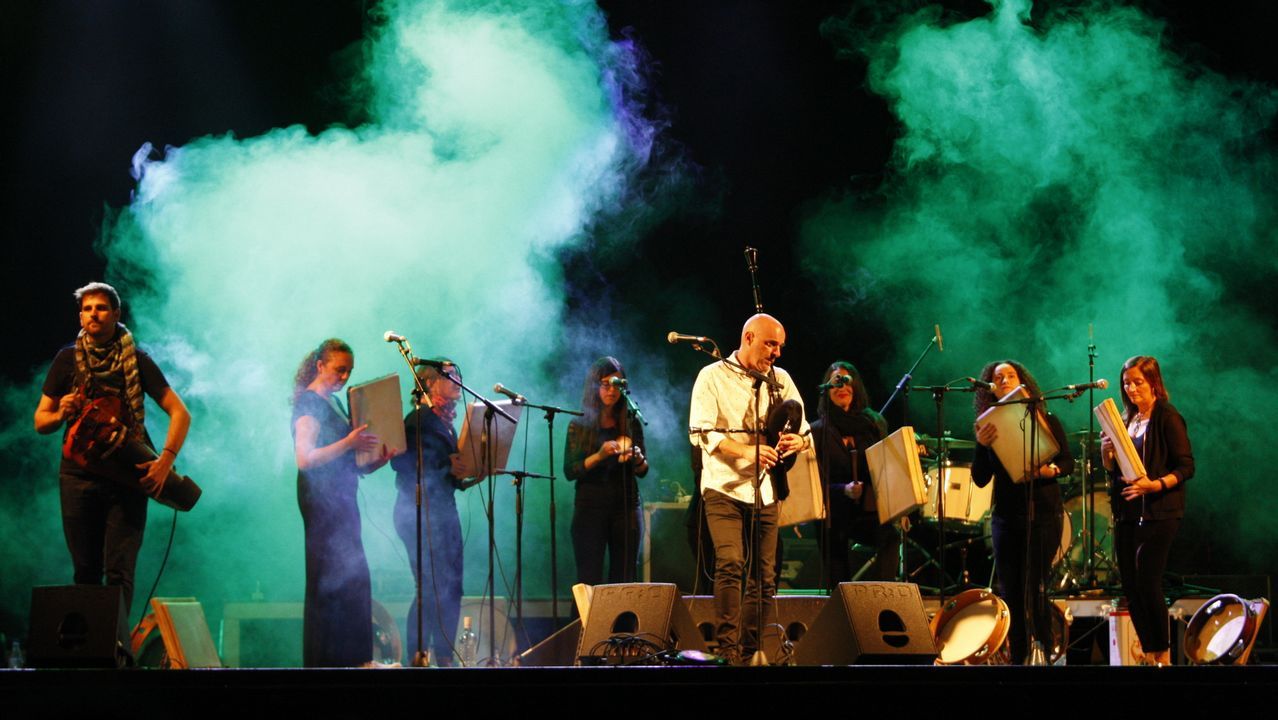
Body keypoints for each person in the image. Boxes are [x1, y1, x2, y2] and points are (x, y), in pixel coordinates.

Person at [34, 282, 191, 616]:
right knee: (85, 571)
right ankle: (91, 646)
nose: (94, 314)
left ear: (116, 314)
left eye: (102, 308)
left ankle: (116, 644)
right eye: (88, 309)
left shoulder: (137, 359)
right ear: (80, 316)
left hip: (126, 477)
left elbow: (180, 413)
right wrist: (61, 412)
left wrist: (165, 461)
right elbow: (41, 421)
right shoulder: (66, 359)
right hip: (78, 477)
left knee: (120, 572)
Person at [688, 314, 808, 664]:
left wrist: (797, 442)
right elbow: (701, 434)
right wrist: (747, 452)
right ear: (749, 337)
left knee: (764, 576)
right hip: (723, 487)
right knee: (730, 563)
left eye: (780, 346)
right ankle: (728, 651)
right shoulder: (711, 376)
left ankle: (750, 651)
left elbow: (805, 432)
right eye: (771, 344)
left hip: (765, 490)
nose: (776, 353)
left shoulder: (780, 379)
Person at [291, 338, 392, 667]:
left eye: (349, 371)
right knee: (332, 580)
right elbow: (305, 459)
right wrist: (349, 442)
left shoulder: (333, 402)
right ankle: (330, 662)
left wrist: (374, 461)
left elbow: (345, 462)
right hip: (322, 501)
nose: (345, 377)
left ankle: (354, 659)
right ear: (320, 366)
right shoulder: (309, 404)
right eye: (339, 369)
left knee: (352, 578)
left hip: (340, 497)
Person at [971, 360, 1073, 664]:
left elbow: (1068, 462)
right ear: (990, 388)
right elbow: (980, 479)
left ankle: (1044, 653)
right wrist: (981, 446)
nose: (1004, 380)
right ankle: (1018, 660)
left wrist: (1049, 470)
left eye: (1010, 375)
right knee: (1011, 592)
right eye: (997, 377)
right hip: (1005, 517)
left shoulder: (1046, 419)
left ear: (1022, 381)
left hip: (1043, 513)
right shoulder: (987, 428)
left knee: (1035, 587)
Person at [1102, 355, 1193, 666]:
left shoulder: (1167, 416)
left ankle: (1162, 652)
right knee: (1130, 585)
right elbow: (1115, 472)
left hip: (1160, 511)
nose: (1131, 388)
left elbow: (1186, 467)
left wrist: (1155, 485)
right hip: (1128, 511)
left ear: (1153, 382)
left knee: (1148, 581)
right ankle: (1150, 651)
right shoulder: (1126, 419)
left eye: (1137, 382)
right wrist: (1106, 454)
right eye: (1126, 383)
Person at [390, 358, 474, 666]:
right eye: (448, 376)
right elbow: (404, 465)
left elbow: (445, 473)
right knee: (429, 587)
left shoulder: (443, 420)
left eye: (457, 374)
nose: (456, 380)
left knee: (451, 587)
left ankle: (444, 655)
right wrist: (446, 467)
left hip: (442, 511)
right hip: (418, 512)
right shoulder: (418, 420)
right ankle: (419, 655)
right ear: (429, 383)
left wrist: (470, 471)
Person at [810, 361, 898, 584]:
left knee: (890, 536)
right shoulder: (817, 431)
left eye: (846, 381)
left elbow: (886, 467)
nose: (842, 387)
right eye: (835, 382)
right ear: (826, 390)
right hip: (833, 513)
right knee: (838, 574)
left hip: (866, 511)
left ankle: (882, 594)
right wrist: (843, 490)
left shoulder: (873, 424)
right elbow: (813, 483)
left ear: (855, 386)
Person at [564, 357, 648, 586]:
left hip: (626, 507)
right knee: (589, 578)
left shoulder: (630, 420)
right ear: (594, 386)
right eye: (605, 384)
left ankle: (623, 613)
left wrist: (638, 458)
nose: (612, 390)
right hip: (590, 508)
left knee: (624, 579)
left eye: (617, 384)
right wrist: (600, 455)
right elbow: (570, 470)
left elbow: (643, 470)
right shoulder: (579, 424)